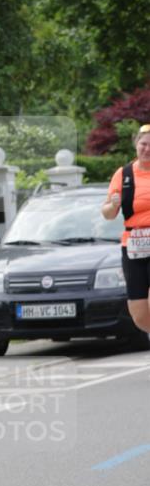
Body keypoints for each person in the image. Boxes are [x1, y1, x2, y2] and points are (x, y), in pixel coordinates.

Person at [101, 123, 150, 335]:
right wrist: (113, 204)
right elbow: (108, 214)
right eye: (144, 144)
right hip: (133, 246)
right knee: (138, 313)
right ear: (136, 145)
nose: (147, 149)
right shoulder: (124, 174)